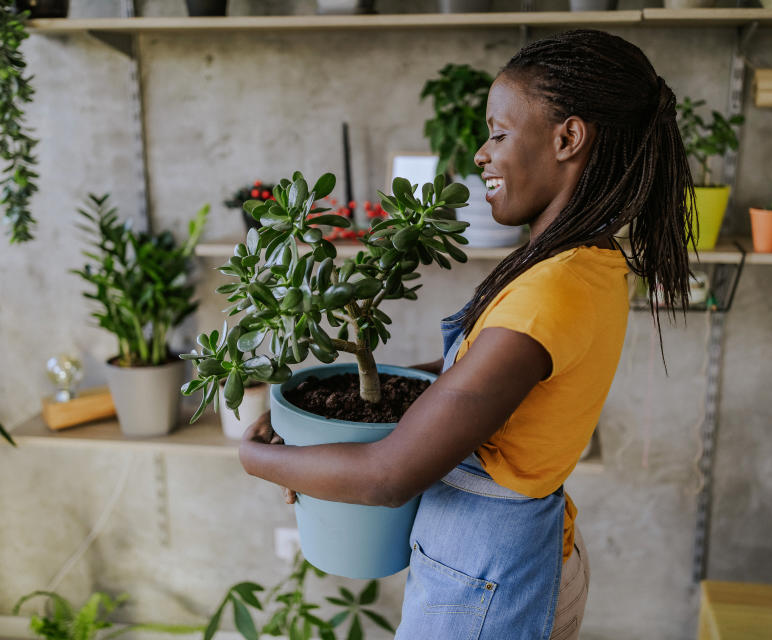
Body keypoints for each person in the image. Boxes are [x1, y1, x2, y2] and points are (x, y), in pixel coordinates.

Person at [237, 28, 694, 640]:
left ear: (568, 138)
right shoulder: (587, 262)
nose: (481, 154)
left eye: (499, 134)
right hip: (495, 566)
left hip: (487, 587)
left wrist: (259, 459)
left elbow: (387, 475)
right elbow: (472, 379)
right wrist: (319, 420)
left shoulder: (551, 290)